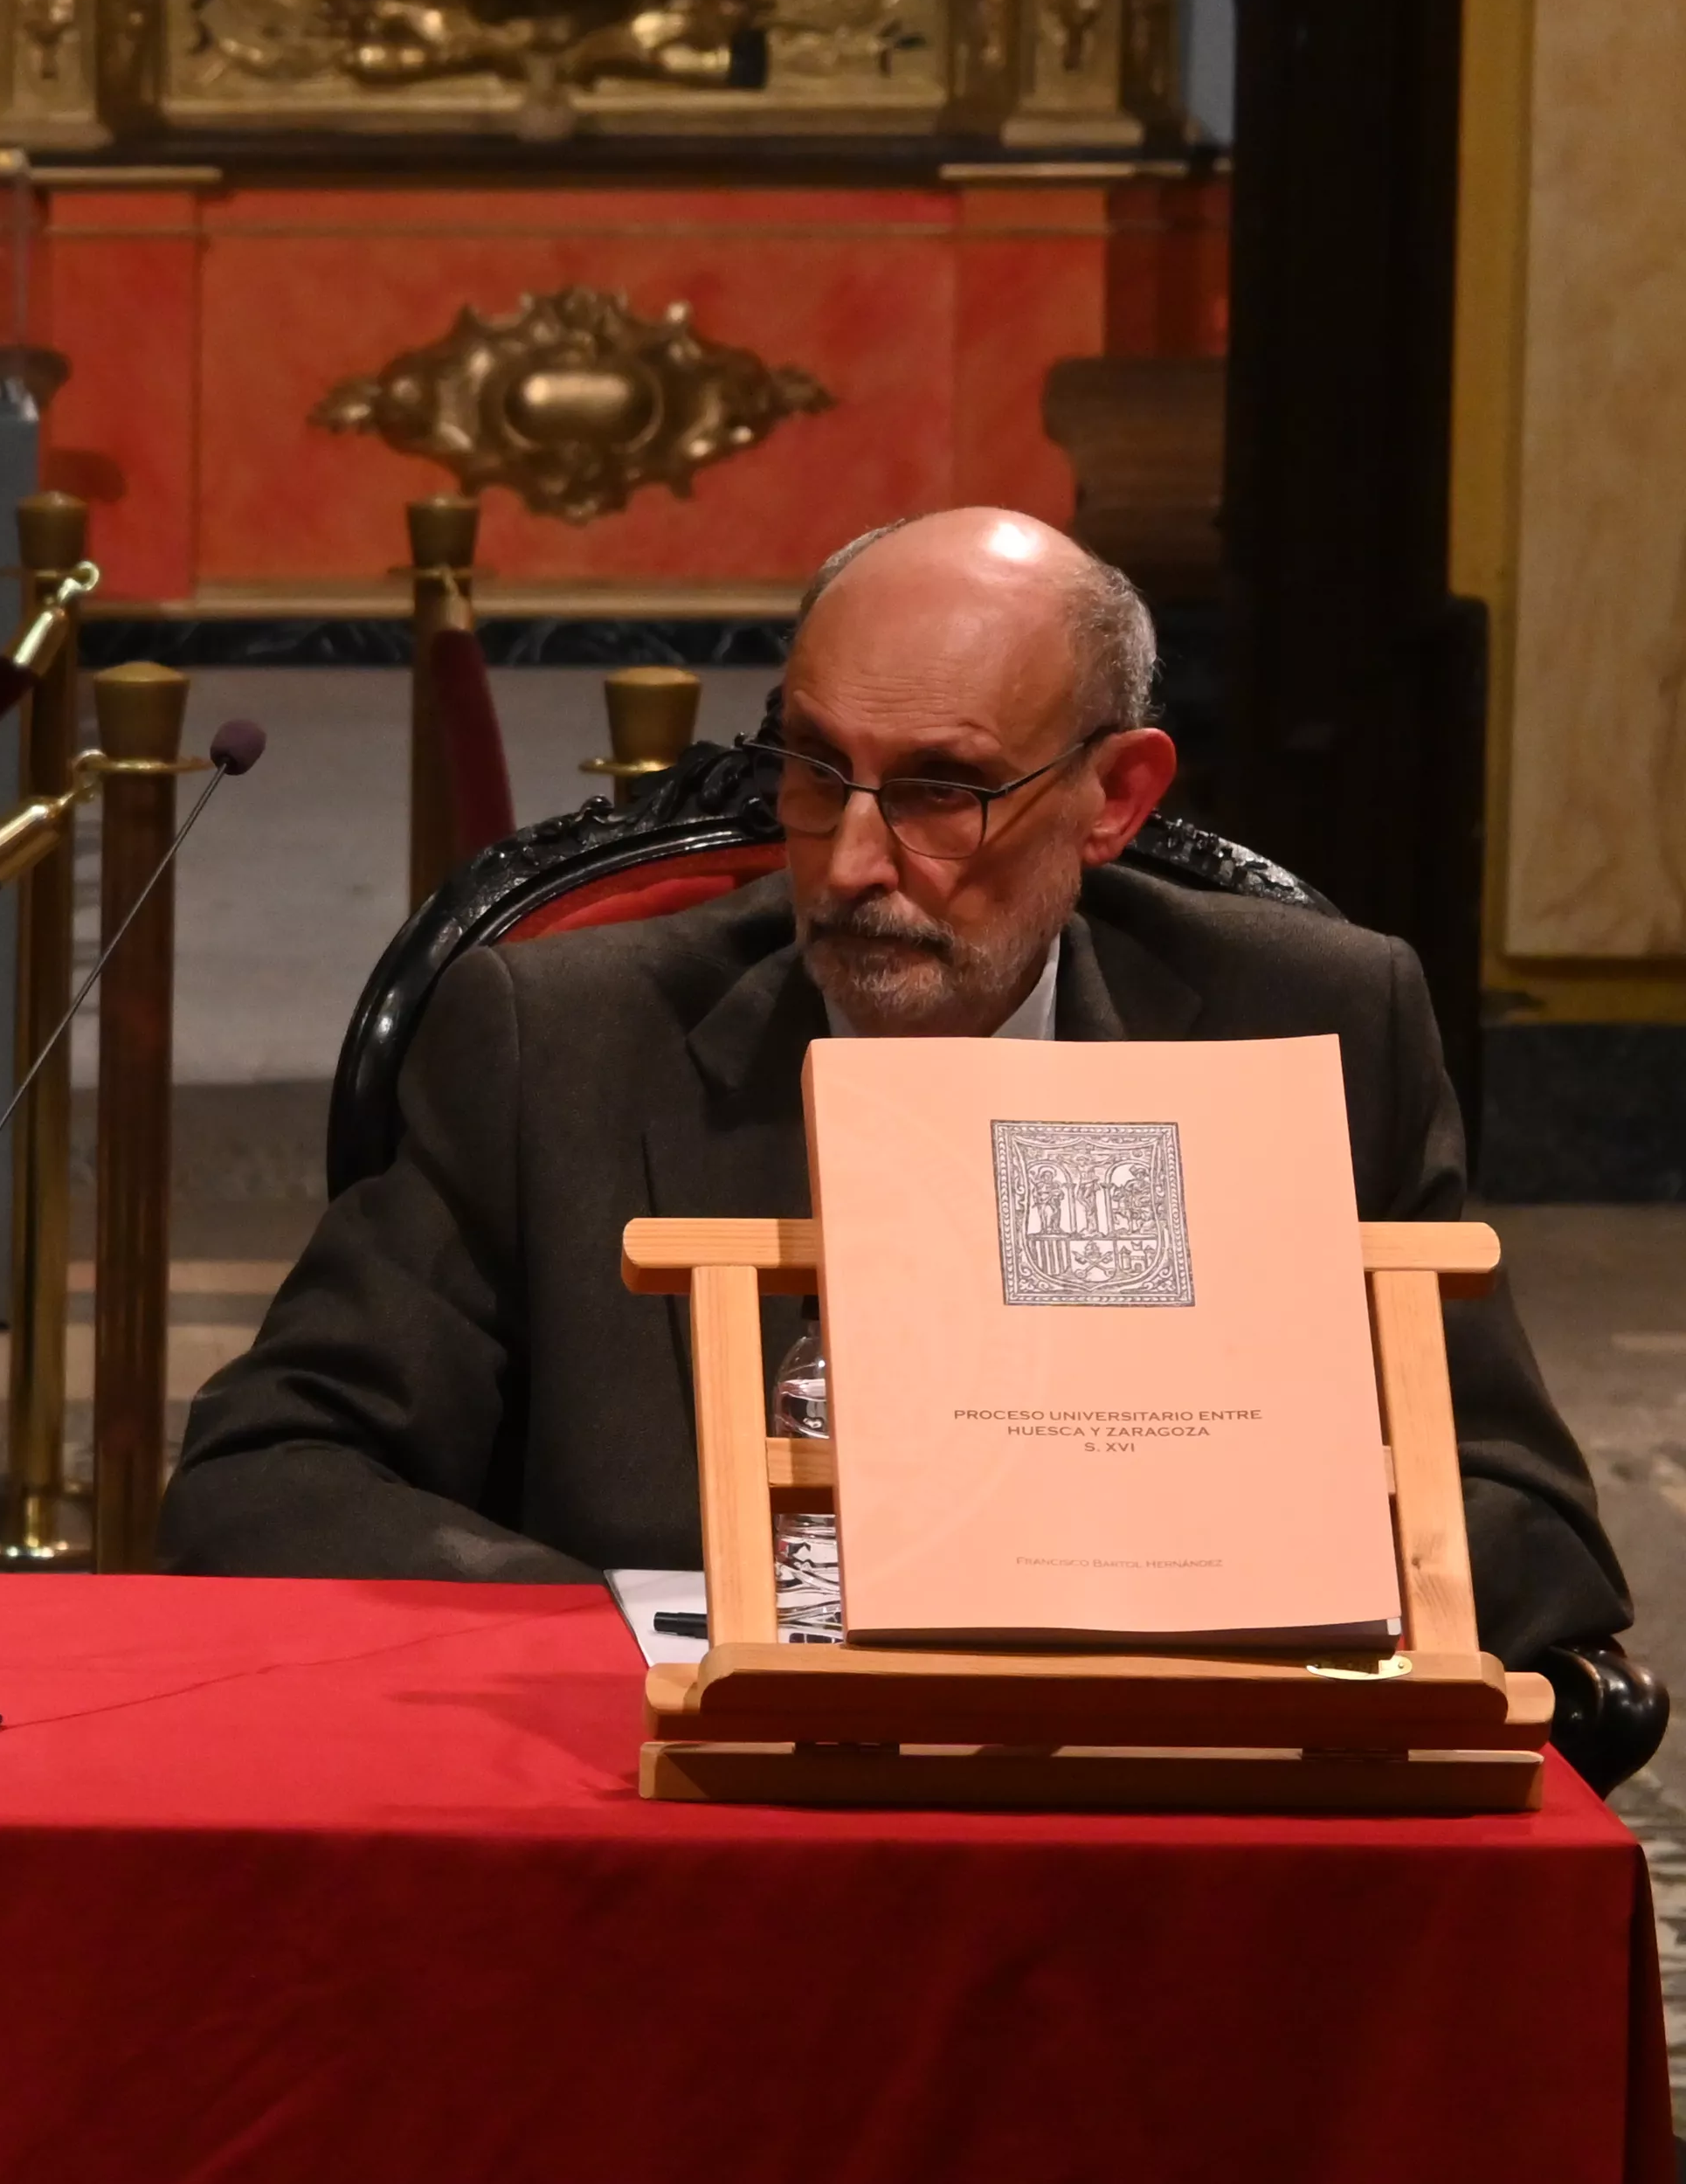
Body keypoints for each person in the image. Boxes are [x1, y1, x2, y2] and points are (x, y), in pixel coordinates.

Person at [164, 508, 1630, 1660]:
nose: (855, 864)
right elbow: (273, 1466)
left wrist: (1202, 1606)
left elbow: (1526, 1521)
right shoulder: (561, 1042)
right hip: (700, 1836)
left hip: (1181, 1828)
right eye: (816, 773)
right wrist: (636, 1638)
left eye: (940, 790)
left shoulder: (1309, 1023)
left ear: (1114, 798)